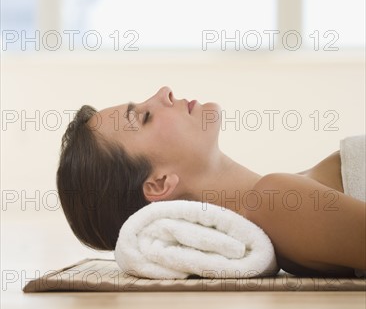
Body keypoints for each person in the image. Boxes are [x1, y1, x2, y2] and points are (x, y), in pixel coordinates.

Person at [56, 86, 365, 277]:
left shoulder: (283, 195)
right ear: (159, 183)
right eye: (145, 117)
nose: (164, 92)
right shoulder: (274, 202)